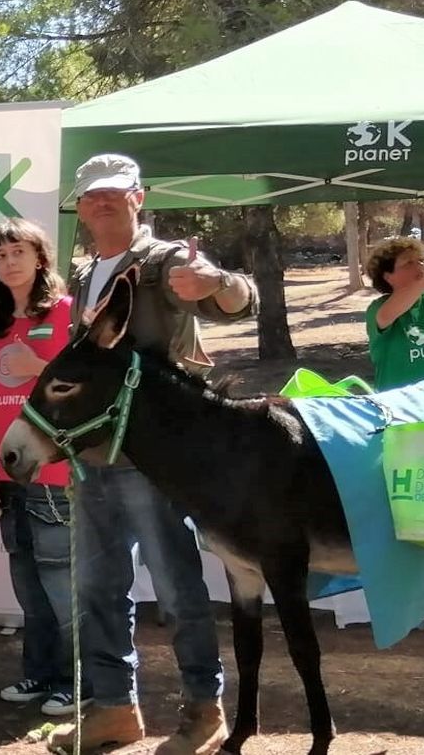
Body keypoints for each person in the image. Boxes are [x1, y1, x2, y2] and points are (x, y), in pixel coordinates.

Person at [53, 153, 257, 755]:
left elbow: (237, 299)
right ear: (80, 206)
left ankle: (203, 707)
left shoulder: (168, 260)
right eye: (91, 195)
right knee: (98, 588)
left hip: (155, 461)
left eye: (114, 193)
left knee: (176, 589)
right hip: (95, 457)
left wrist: (216, 284)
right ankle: (115, 710)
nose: (102, 202)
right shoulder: (87, 271)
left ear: (139, 197)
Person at [0, 219, 84, 717]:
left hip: (54, 474)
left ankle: (76, 681)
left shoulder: (66, 313)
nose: (8, 262)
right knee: (28, 585)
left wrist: (38, 369)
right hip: (7, 474)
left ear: (40, 258)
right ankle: (39, 675)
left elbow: (87, 385)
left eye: (17, 252)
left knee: (61, 584)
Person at [364, 235, 424, 388]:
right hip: (398, 404)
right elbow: (385, 316)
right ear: (388, 277)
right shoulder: (378, 308)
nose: (419, 265)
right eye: (408, 262)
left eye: (421, 260)